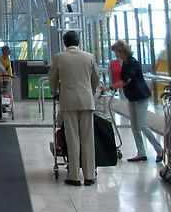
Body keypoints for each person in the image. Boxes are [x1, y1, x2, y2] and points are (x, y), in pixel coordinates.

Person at [48, 30, 99, 186]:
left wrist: (55, 92)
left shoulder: (59, 58)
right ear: (79, 42)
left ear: (65, 43)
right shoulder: (89, 57)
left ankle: (74, 175)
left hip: (68, 101)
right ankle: (89, 175)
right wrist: (90, 91)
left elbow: (52, 79)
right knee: (88, 138)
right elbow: (95, 78)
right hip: (86, 101)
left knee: (72, 138)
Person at [109, 41, 163, 163]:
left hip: (140, 97)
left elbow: (126, 80)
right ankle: (141, 152)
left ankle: (159, 150)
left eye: (117, 52)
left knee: (142, 125)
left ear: (123, 51)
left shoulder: (132, 63)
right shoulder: (126, 63)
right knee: (134, 126)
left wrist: (111, 87)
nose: (116, 55)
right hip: (132, 97)